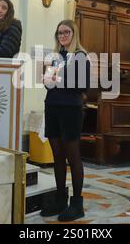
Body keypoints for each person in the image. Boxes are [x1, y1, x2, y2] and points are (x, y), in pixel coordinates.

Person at [41, 20, 91, 222]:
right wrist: (48, 79)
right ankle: (60, 199)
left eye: (66, 32)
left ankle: (77, 204)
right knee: (58, 156)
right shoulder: (54, 57)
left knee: (73, 156)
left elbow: (83, 85)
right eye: (59, 32)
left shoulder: (80, 56)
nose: (62, 35)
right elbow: (48, 84)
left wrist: (58, 79)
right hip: (52, 106)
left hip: (71, 109)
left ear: (73, 33)